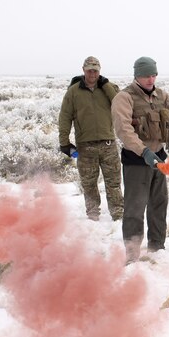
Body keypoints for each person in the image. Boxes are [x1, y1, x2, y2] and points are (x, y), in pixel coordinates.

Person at [111, 56, 169, 263]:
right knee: (135, 208)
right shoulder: (124, 97)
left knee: (159, 205)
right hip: (137, 161)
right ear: (137, 75)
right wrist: (143, 151)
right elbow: (123, 129)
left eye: (153, 75)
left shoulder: (161, 95)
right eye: (146, 76)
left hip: (159, 159)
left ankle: (157, 248)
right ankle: (132, 255)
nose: (151, 80)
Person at [58, 56, 124, 221]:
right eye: (89, 70)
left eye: (95, 70)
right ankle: (93, 215)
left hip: (108, 144)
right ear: (84, 70)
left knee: (114, 183)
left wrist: (106, 85)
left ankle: (118, 215)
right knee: (89, 184)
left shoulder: (108, 88)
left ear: (99, 71)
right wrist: (64, 143)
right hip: (85, 147)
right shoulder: (73, 92)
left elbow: (120, 103)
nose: (92, 73)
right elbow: (65, 117)